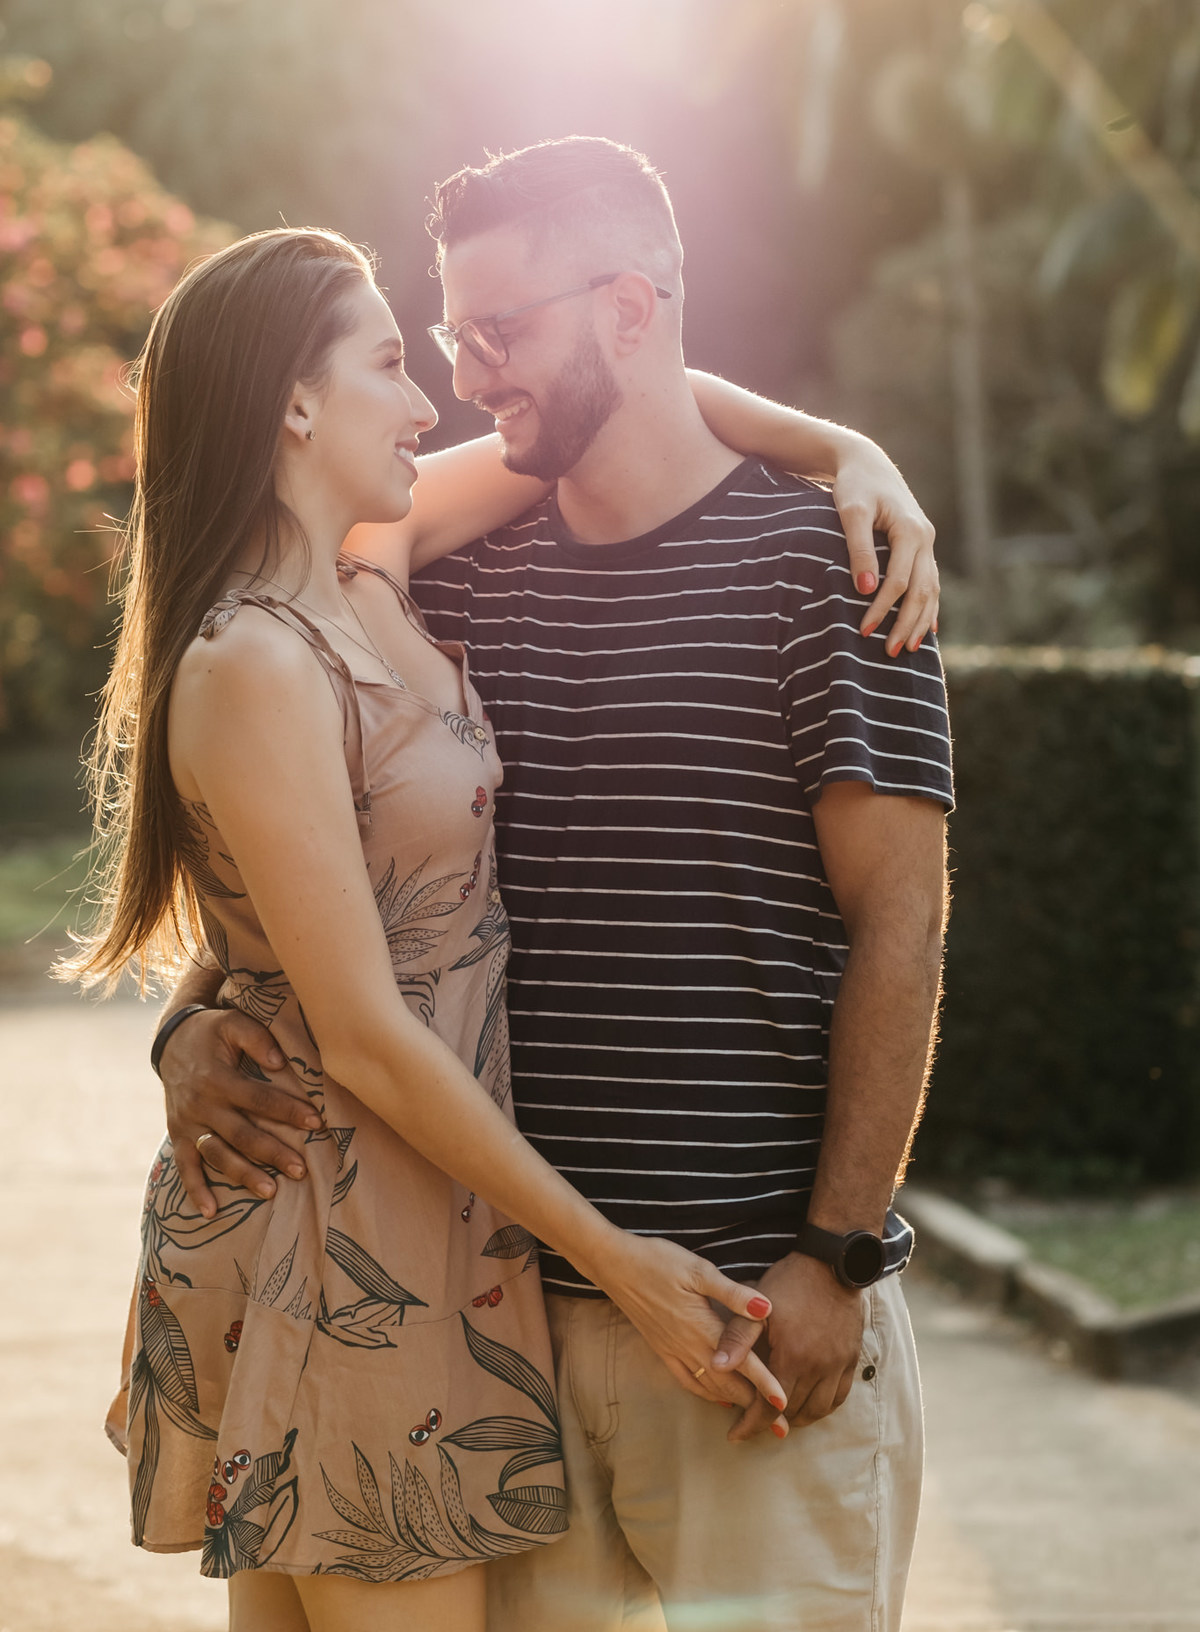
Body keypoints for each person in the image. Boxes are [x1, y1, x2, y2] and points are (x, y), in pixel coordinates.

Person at [153, 138, 952, 1632]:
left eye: (497, 330)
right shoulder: (434, 577)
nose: (466, 376)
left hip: (749, 1319)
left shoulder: (827, 568)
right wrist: (187, 1025)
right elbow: (335, 879)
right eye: (443, 338)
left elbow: (901, 929)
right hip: (502, 1321)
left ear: (631, 310)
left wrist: (839, 1253)